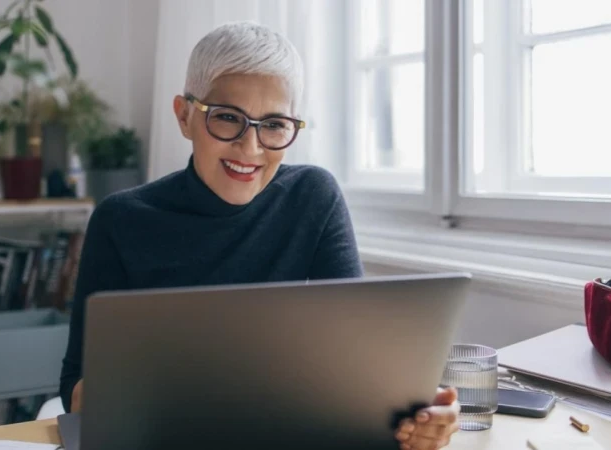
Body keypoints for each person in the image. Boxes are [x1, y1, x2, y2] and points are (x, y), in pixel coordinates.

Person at [59, 21, 460, 450]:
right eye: (228, 118)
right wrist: (103, 396)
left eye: (273, 125)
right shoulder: (120, 220)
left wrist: (416, 414)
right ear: (184, 115)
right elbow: (76, 388)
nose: (251, 148)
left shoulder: (313, 197)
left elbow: (356, 368)